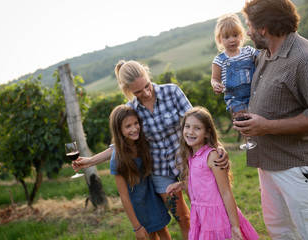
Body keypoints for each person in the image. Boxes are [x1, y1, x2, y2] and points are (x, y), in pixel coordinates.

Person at [72, 60, 230, 239]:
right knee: (183, 218)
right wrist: (91, 161)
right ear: (128, 90)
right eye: (138, 91)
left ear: (148, 76)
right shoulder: (131, 110)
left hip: (188, 162)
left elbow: (197, 122)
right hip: (160, 173)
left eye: (147, 85)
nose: (146, 93)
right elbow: (120, 145)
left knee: (206, 209)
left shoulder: (172, 91)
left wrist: (216, 146)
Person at [233, 0, 308, 239]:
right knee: (280, 231)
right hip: (268, 162)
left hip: (297, 168)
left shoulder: (306, 59)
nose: (246, 32)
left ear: (263, 28)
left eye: (249, 25)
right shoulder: (265, 54)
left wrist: (266, 126)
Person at [166, 106, 259, 240]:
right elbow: (201, 187)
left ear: (207, 133)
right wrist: (182, 185)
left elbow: (226, 193)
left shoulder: (212, 156)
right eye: (187, 126)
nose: (190, 132)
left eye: (197, 128)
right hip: (200, 215)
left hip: (217, 218)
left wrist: (235, 226)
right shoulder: (191, 156)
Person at [108, 105, 171, 240]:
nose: (134, 129)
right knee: (148, 236)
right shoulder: (117, 159)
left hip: (153, 198)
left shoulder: (142, 144)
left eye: (136, 123)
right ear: (118, 130)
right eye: (128, 126)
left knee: (163, 232)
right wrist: (136, 226)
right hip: (138, 207)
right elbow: (124, 196)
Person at [211, 13, 259, 111]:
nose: (232, 40)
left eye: (235, 35)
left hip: (255, 94)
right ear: (219, 39)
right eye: (227, 37)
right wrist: (215, 84)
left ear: (241, 35)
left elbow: (262, 60)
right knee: (244, 121)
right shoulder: (219, 60)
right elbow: (214, 79)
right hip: (235, 100)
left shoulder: (249, 51)